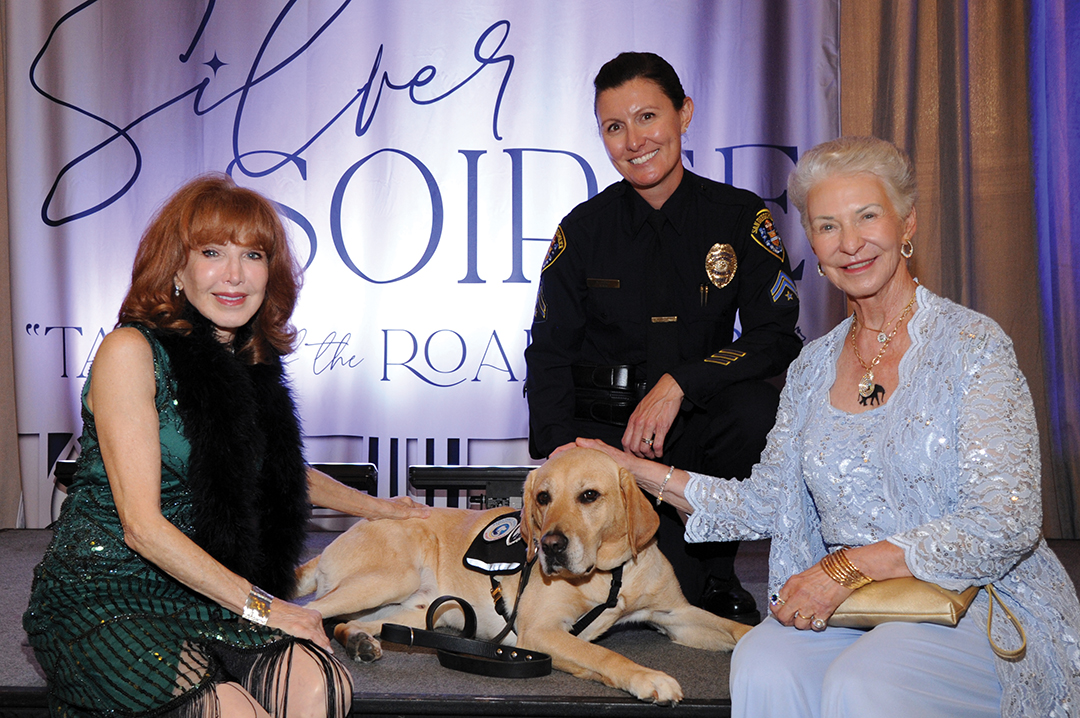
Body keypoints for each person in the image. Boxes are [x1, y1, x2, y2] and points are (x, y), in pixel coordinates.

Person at [577, 136, 1080, 716]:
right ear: (812, 246)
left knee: (867, 681)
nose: (850, 243)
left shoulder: (974, 346)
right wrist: (635, 470)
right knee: (763, 661)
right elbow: (766, 502)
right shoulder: (812, 366)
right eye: (826, 226)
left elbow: (1005, 518)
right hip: (855, 602)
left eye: (868, 216)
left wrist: (847, 567)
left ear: (906, 222)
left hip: (978, 594)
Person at [23, 174, 430, 718]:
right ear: (175, 267)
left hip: (211, 584)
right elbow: (141, 527)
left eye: (254, 255)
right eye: (212, 252)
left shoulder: (250, 363)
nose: (234, 274)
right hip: (107, 590)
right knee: (232, 709)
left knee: (322, 687)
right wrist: (270, 608)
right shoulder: (131, 351)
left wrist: (388, 510)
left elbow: (284, 472)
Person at [525, 51, 802, 624]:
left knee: (757, 407)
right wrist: (562, 454)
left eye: (648, 117)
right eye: (614, 127)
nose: (634, 140)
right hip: (608, 447)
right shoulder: (581, 231)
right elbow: (550, 352)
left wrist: (681, 382)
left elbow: (777, 337)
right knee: (648, 601)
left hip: (700, 436)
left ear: (684, 113)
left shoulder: (739, 217)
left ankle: (719, 571)